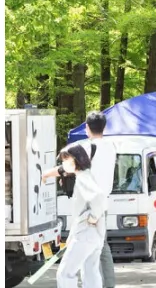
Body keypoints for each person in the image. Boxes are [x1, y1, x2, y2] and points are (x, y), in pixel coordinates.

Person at [44, 111, 116, 288]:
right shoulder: (111, 147)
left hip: (88, 212)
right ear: (104, 128)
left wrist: (46, 174)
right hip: (101, 212)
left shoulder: (87, 148)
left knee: (66, 272)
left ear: (86, 128)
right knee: (91, 268)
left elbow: (65, 167)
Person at [55, 144, 107, 288]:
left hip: (85, 233)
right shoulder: (87, 175)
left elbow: (99, 198)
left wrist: (93, 217)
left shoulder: (83, 178)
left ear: (75, 159)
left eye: (66, 159)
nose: (64, 163)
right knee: (90, 272)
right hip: (94, 234)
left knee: (65, 273)